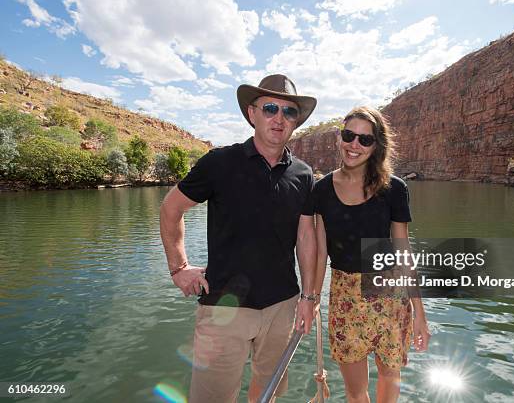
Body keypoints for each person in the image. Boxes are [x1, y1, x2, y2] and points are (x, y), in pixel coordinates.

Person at [159, 74, 318, 403]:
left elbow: (306, 236)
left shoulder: (303, 174)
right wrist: (179, 268)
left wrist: (309, 296)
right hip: (222, 309)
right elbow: (171, 209)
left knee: (268, 391)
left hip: (282, 306)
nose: (279, 118)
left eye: (289, 112)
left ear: (295, 122)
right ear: (252, 113)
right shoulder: (219, 163)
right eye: (271, 108)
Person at [306, 106, 430, 403]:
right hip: (345, 296)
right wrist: (311, 298)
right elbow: (321, 251)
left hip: (390, 293)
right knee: (355, 391)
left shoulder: (394, 189)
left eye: (365, 140)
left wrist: (420, 314)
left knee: (390, 375)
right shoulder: (321, 189)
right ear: (340, 137)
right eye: (349, 136)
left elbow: (402, 251)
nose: (355, 145)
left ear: (377, 146)